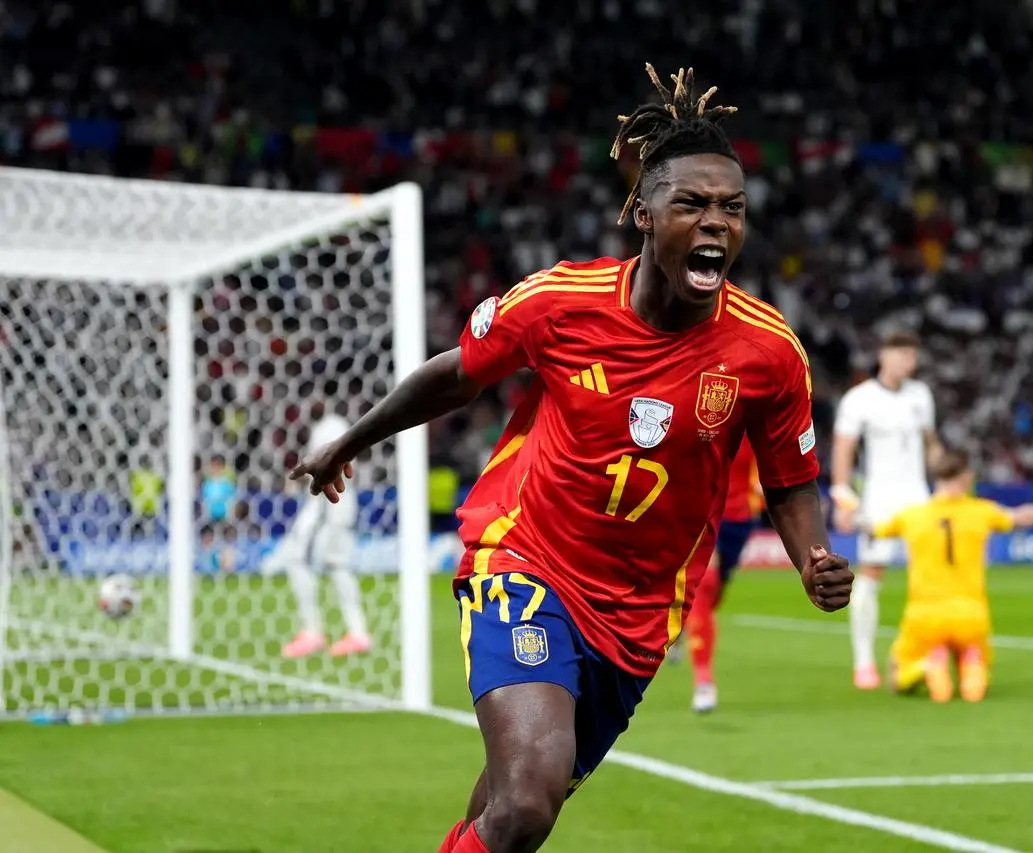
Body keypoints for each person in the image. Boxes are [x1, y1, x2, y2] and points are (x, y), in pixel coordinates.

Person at [290, 64, 854, 853]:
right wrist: (349, 441)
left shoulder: (767, 352)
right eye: (692, 204)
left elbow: (790, 478)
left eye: (733, 208)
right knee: (526, 803)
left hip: (638, 613)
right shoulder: (557, 302)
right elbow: (454, 374)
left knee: (502, 812)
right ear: (643, 214)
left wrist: (812, 556)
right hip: (524, 562)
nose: (716, 223)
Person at [859, 449, 1033, 703]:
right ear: (966, 478)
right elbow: (1020, 518)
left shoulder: (912, 515)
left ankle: (927, 667)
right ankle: (972, 666)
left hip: (924, 615)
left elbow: (871, 529)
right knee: (974, 651)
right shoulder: (981, 512)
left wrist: (851, 512)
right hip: (971, 615)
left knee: (897, 677)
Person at [830, 331, 942, 690]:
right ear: (883, 355)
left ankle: (925, 652)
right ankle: (863, 660)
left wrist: (946, 481)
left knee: (929, 577)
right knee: (872, 572)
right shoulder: (860, 399)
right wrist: (842, 494)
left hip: (919, 496)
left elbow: (930, 444)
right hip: (879, 496)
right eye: (901, 354)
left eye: (912, 355)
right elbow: (844, 449)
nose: (907, 361)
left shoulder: (921, 395)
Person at [267, 402, 371, 659]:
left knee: (295, 557)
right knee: (337, 565)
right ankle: (357, 633)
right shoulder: (340, 425)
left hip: (327, 505)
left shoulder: (327, 428)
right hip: (343, 504)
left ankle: (312, 632)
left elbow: (325, 466)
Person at [687, 439, 763, 713]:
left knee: (713, 594)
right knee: (705, 583)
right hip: (701, 512)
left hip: (739, 518)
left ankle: (682, 623)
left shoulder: (752, 416)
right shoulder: (703, 413)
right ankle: (704, 680)